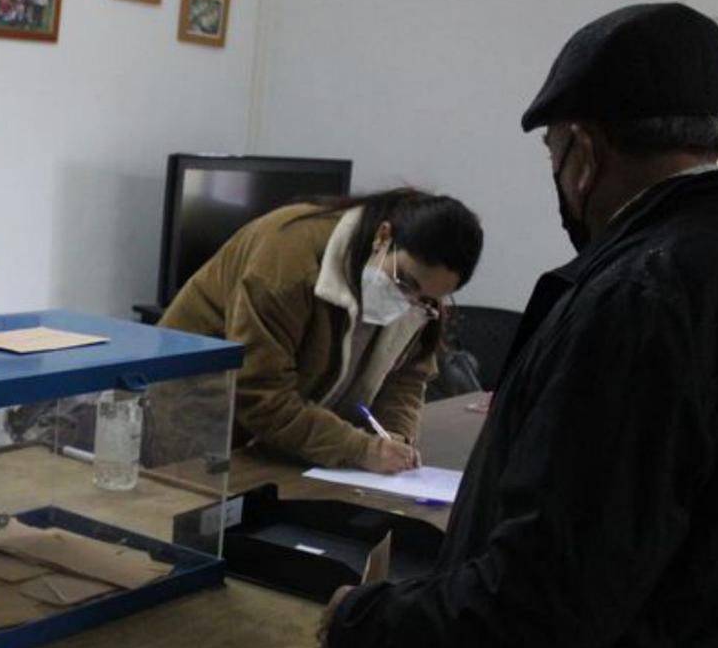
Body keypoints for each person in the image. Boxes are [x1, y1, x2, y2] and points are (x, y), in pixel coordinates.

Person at [316, 3, 718, 648]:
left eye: (551, 151)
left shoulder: (639, 301)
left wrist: (360, 625)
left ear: (582, 154)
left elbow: (538, 603)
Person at [159, 189, 483, 473]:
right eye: (405, 283)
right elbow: (259, 393)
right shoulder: (286, 261)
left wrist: (394, 435)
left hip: (288, 443)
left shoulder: (417, 297)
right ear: (383, 236)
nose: (407, 301)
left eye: (424, 299)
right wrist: (360, 449)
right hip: (198, 420)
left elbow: (407, 374)